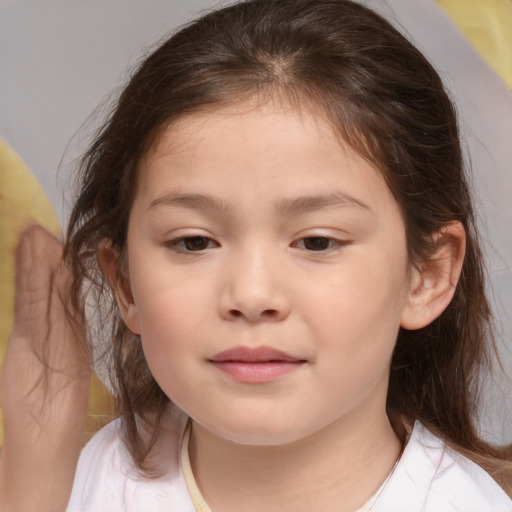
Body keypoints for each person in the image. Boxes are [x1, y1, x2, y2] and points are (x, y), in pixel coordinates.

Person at [2, 0, 512, 510]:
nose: (250, 295)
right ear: (126, 283)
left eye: (317, 241)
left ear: (426, 274)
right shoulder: (76, 485)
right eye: (194, 242)